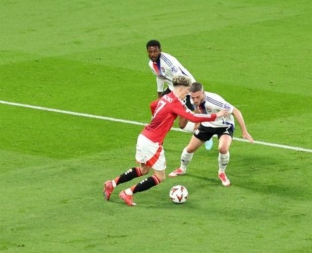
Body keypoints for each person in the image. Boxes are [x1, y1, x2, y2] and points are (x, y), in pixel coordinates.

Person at [103, 75, 224, 207]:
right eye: (188, 91)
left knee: (144, 170)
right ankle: (127, 193)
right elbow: (193, 118)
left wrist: (157, 121)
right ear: (183, 89)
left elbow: (153, 104)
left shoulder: (166, 97)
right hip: (152, 142)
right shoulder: (175, 103)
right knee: (160, 177)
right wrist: (215, 116)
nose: (188, 94)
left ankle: (112, 183)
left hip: (144, 136)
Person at [168, 81, 254, 187]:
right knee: (190, 149)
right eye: (193, 97)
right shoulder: (191, 98)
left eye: (197, 97)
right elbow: (198, 111)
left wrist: (244, 131)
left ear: (203, 93)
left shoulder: (215, 101)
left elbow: (236, 111)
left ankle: (221, 172)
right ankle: (182, 169)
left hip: (224, 125)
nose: (195, 100)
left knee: (223, 148)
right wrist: (197, 125)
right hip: (207, 124)